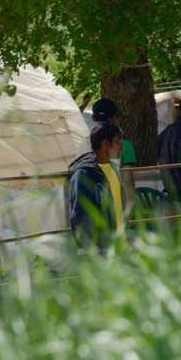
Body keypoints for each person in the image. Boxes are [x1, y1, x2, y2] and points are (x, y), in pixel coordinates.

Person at [68, 122, 125, 251]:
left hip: (117, 246)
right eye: (117, 142)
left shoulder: (114, 169)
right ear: (105, 143)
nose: (121, 146)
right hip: (97, 251)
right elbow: (79, 214)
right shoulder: (83, 174)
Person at [78, 98, 137, 206]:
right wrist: (129, 213)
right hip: (115, 204)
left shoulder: (82, 144)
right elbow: (128, 183)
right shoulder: (124, 146)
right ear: (114, 117)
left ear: (93, 118)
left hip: (91, 204)